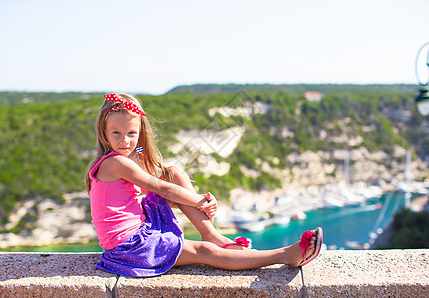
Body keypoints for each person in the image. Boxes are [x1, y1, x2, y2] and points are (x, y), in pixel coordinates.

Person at [85, 93, 323, 277]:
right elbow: (163, 190)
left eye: (131, 133)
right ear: (104, 133)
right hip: (129, 247)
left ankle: (212, 235)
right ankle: (285, 255)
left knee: (174, 172)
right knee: (203, 253)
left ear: (139, 133)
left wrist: (189, 200)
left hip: (134, 232)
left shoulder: (124, 157)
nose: (124, 140)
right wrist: (199, 200)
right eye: (116, 133)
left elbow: (159, 183)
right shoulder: (115, 163)